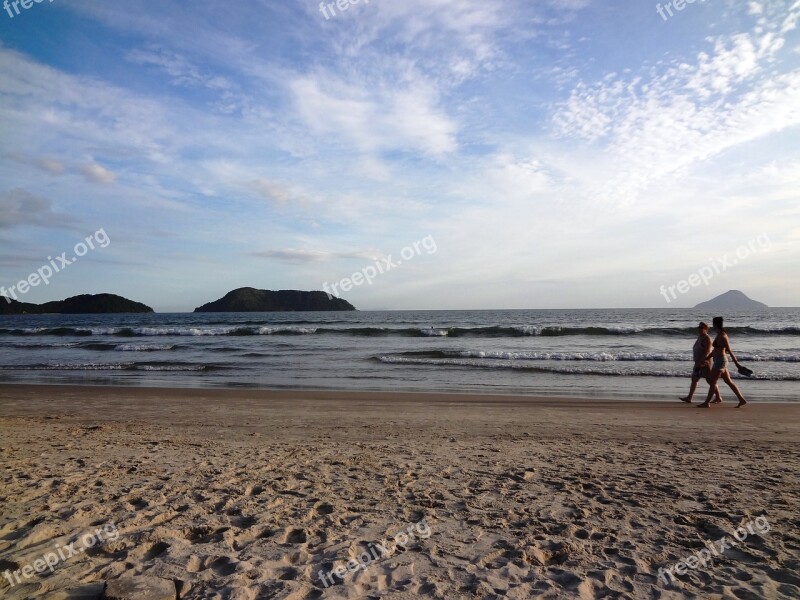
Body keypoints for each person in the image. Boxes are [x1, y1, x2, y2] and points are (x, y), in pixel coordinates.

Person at [698, 316, 747, 408]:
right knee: (728, 381)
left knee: (712, 381)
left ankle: (706, 402)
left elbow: (729, 350)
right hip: (718, 360)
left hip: (720, 361)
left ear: (715, 324)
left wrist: (737, 364)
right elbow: (715, 350)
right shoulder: (719, 334)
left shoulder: (723, 336)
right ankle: (741, 399)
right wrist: (707, 358)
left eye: (713, 323)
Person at [680, 322, 723, 404]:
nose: (699, 329)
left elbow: (707, 352)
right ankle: (689, 397)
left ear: (706, 329)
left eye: (701, 328)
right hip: (698, 362)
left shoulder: (707, 339)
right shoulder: (700, 337)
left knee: (710, 381)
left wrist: (701, 362)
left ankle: (718, 397)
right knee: (694, 379)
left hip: (704, 363)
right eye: (699, 327)